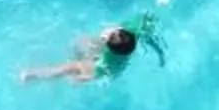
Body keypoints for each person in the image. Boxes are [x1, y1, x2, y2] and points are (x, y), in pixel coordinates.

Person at [19, 19, 163, 84]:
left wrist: (82, 78)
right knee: (83, 42)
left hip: (104, 67)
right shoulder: (135, 31)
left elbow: (100, 73)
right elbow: (150, 37)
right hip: (116, 54)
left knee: (69, 68)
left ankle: (31, 76)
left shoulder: (108, 60)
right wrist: (160, 54)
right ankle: (78, 56)